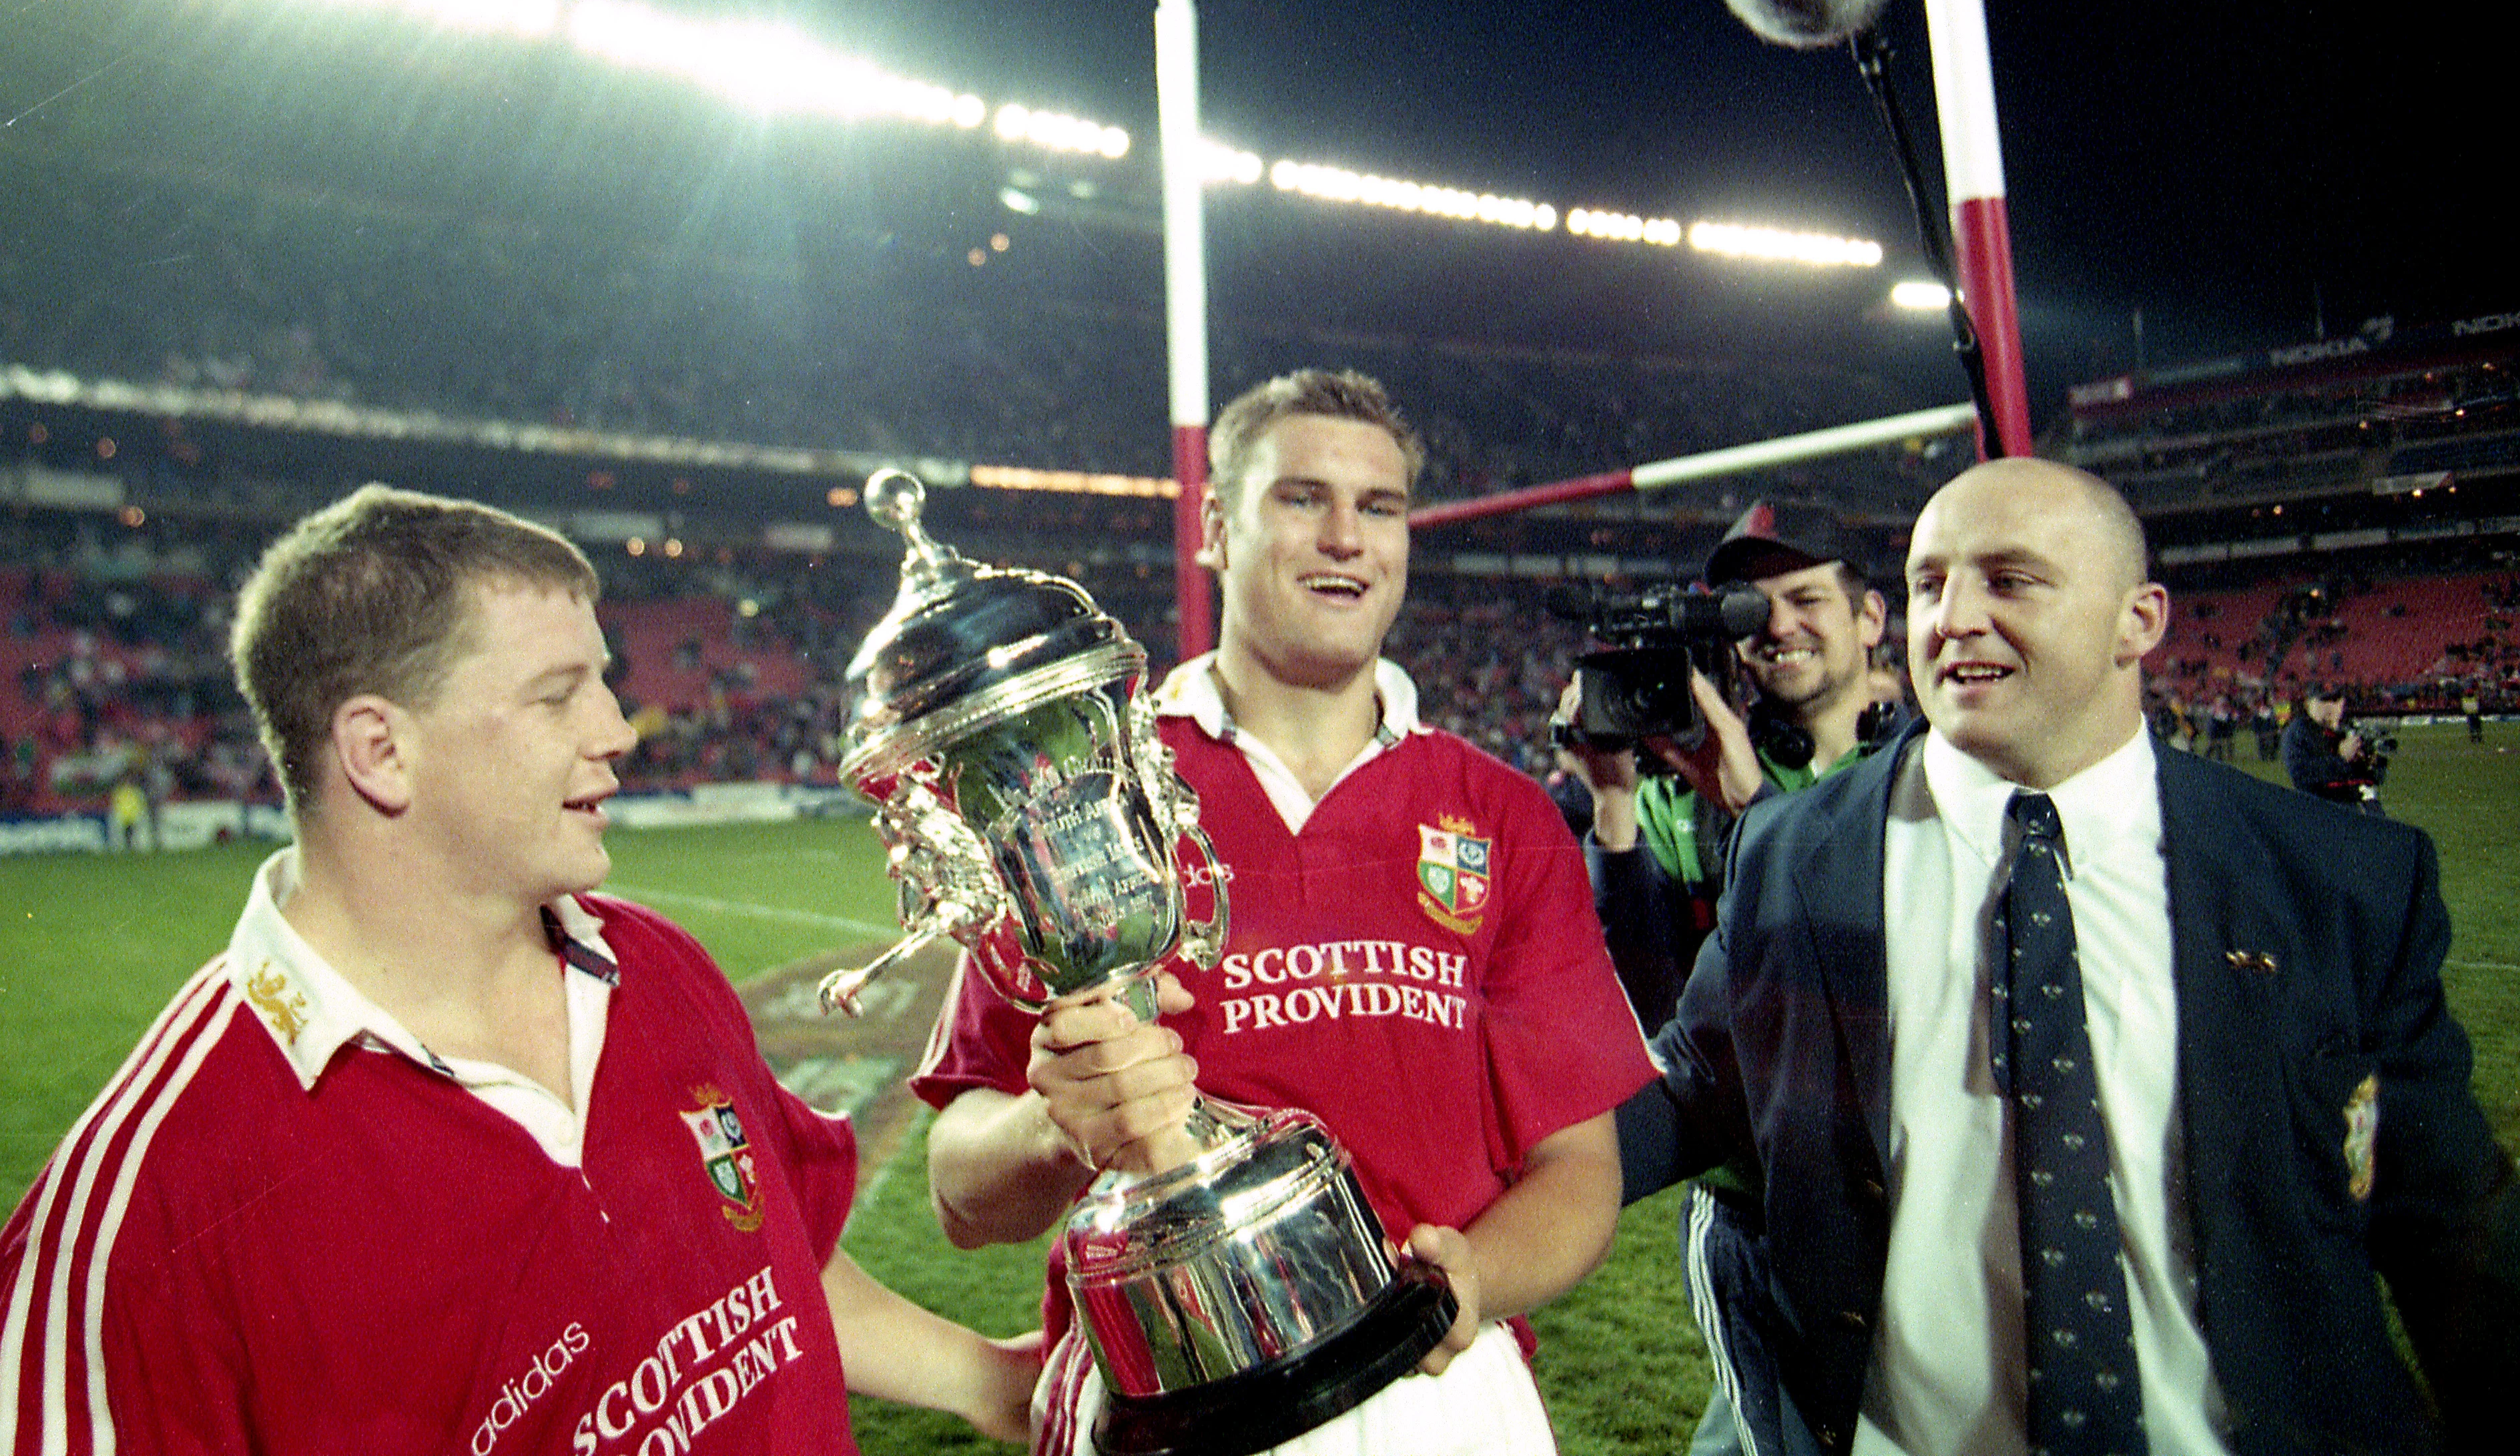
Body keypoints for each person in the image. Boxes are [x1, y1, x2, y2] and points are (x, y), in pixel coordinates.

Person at [1, 485, 1038, 1455]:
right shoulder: (147, 1218)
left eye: (606, 683)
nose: (619, 733)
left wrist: (988, 1381)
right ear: (381, 751)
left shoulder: (651, 962)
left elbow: (772, 1266)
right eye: (559, 697)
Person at [1620, 457, 2517, 1455]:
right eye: (1930, 584)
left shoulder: (2339, 878)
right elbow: (1690, 1084)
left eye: (2009, 581)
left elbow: (2450, 1231)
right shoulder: (1797, 853)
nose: (1953, 618)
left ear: (2139, 619)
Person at [912, 369, 1654, 1455]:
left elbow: (1580, 1167)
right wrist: (1053, 1124)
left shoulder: (1503, 813)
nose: (1347, 536)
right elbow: (960, 1189)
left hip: (1438, 1384)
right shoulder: (1074, 796)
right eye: (1302, 498)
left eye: (1380, 506)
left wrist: (1476, 1279)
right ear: (1215, 526)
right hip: (1163, 1395)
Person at [1555, 502, 1893, 1456]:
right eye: (1752, 610)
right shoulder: (1678, 794)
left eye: (1806, 598)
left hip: (1909, 1179)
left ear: (1870, 619)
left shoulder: (1926, 773)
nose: (1777, 627)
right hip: (1759, 1200)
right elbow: (1659, 1013)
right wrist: (1616, 813)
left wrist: (1753, 807)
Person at [2280, 685, 2382, 811]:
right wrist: (2342, 757)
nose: (2332, 707)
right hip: (2323, 810)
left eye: (2335, 701)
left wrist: (2367, 762)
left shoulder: (2343, 728)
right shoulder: (2299, 731)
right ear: (2308, 703)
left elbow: (2372, 778)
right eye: (2325, 701)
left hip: (2355, 805)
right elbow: (2303, 775)